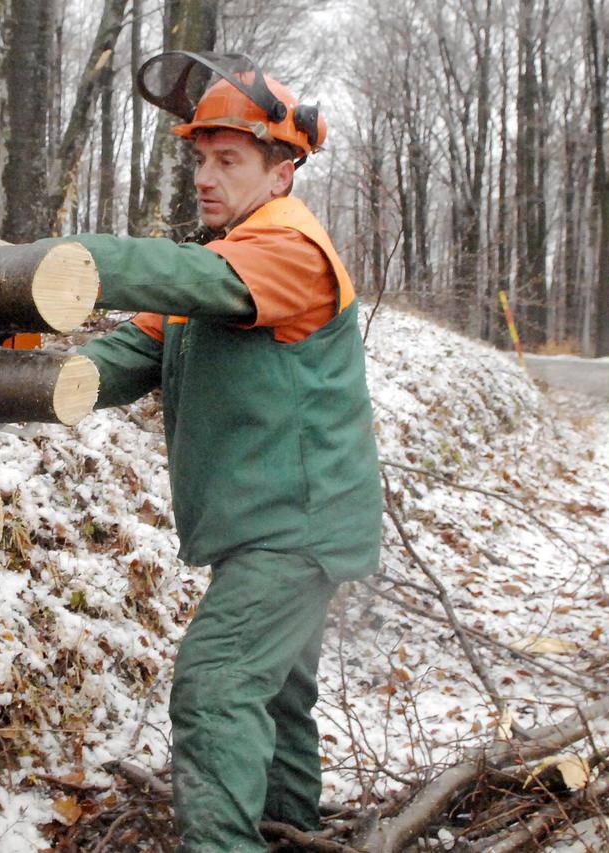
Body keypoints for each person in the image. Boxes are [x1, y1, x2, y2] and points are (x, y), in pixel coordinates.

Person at [65, 54, 383, 851]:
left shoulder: (286, 248)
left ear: (281, 173)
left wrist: (57, 264)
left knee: (215, 687)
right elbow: (120, 360)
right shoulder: (219, 264)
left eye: (228, 161)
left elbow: (184, 279)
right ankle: (288, 834)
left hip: (296, 531)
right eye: (200, 159)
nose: (205, 178)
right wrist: (13, 353)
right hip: (273, 528)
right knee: (273, 700)